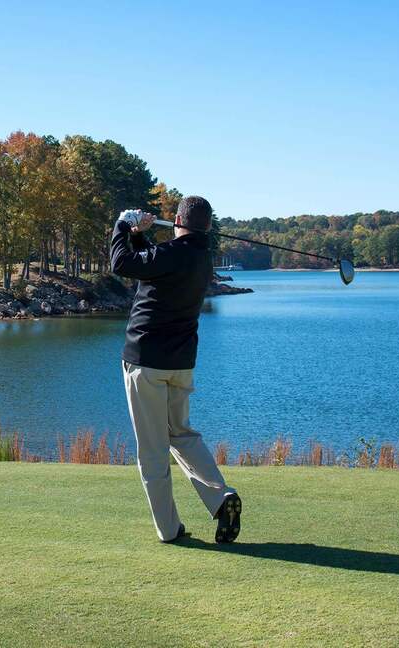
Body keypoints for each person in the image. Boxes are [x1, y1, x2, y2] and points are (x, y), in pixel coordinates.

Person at [110, 196, 241, 544]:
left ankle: (169, 530)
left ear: (178, 220)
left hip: (146, 362)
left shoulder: (170, 254)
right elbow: (150, 264)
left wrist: (122, 225)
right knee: (182, 435)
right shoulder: (201, 258)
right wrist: (139, 235)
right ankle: (221, 497)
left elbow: (121, 263)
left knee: (153, 450)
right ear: (207, 227)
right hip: (180, 364)